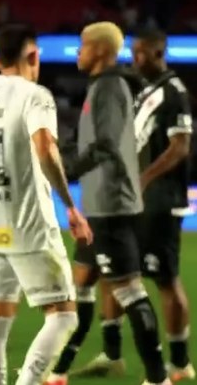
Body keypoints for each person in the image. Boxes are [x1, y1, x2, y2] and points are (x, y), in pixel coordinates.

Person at [0, 24, 93, 385]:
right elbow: (45, 147)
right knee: (64, 316)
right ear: (33, 55)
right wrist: (70, 205)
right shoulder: (35, 95)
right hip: (30, 225)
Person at [46, 22, 170, 385]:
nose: (78, 52)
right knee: (80, 285)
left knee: (130, 291)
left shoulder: (110, 87)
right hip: (99, 203)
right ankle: (58, 372)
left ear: (100, 50)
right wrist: (58, 155)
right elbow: (88, 142)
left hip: (112, 204)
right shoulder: (99, 86)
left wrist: (67, 170)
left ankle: (158, 378)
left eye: (83, 45)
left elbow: (105, 144)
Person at [75, 29, 194, 381]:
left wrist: (144, 179)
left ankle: (179, 363)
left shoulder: (174, 92)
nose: (135, 58)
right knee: (115, 271)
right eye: (133, 51)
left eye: (141, 53)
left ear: (159, 53)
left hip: (160, 200)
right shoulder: (141, 91)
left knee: (165, 279)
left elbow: (181, 146)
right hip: (131, 201)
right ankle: (112, 354)